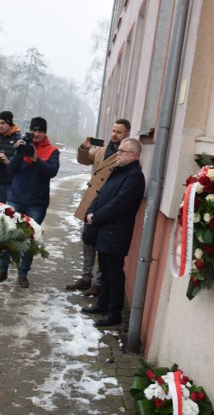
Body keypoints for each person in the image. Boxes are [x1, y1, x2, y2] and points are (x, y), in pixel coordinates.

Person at [81, 137, 145, 327]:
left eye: (122, 151)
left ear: (133, 155)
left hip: (117, 232)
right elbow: (100, 194)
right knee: (105, 270)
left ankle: (114, 312)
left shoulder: (135, 177)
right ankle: (102, 304)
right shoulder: (118, 172)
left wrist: (97, 216)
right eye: (119, 150)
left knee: (115, 273)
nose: (118, 153)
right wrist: (90, 210)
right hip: (104, 229)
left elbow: (119, 204)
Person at [66, 119, 131, 297]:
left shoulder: (125, 155)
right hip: (92, 202)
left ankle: (98, 283)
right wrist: (84, 147)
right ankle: (85, 277)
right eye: (113, 130)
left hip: (106, 204)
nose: (114, 134)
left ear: (127, 134)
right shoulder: (102, 149)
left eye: (118, 132)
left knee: (101, 245)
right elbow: (84, 160)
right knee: (87, 240)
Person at [0, 116, 60, 288]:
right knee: (7, 234)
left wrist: (36, 158)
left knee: (30, 238)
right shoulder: (22, 145)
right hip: (16, 198)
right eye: (34, 130)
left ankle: (23, 273)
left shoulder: (52, 151)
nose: (36, 134)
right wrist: (18, 152)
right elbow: (11, 170)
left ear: (45, 132)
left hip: (36, 203)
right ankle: (3, 269)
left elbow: (52, 172)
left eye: (40, 131)